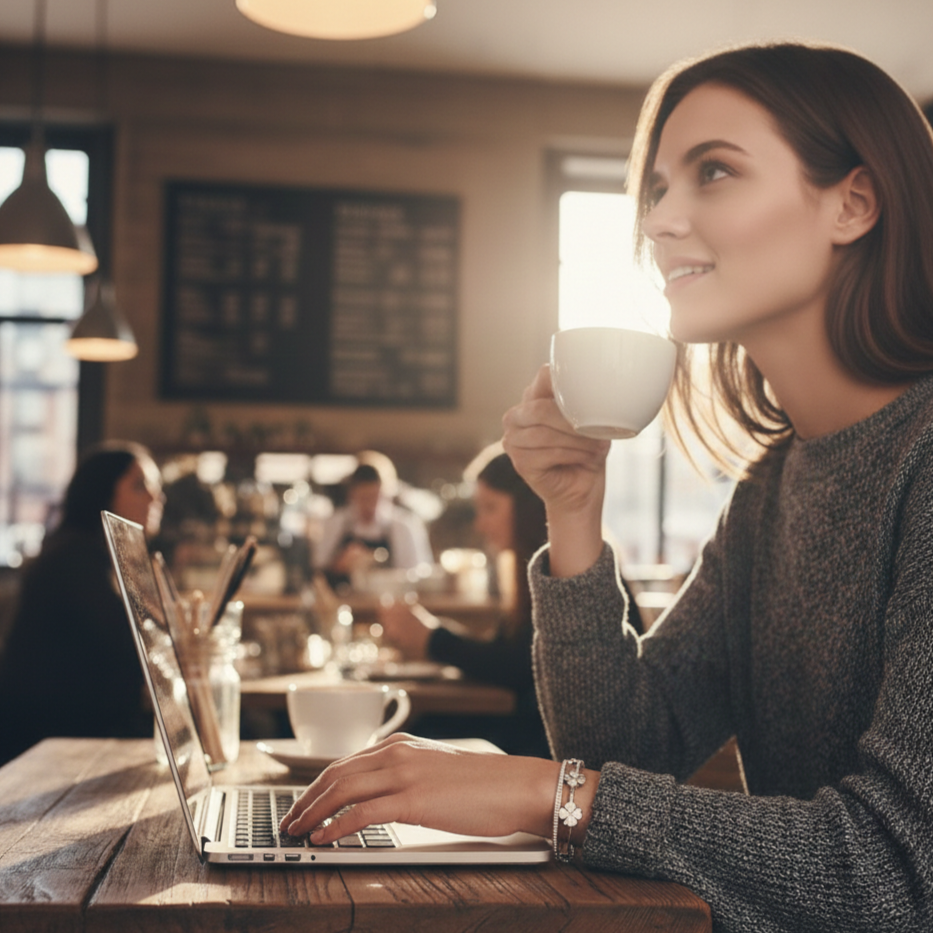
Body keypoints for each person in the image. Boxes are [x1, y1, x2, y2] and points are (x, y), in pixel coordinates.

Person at [280, 42, 933, 931]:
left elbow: (895, 875)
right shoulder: (770, 491)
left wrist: (539, 792)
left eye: (713, 172)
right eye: (659, 187)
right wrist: (573, 510)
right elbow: (625, 750)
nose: (659, 220)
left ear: (853, 203)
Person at [378, 450, 585, 757]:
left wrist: (433, 639)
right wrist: (433, 636)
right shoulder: (528, 569)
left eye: (490, 508)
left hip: (549, 750)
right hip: (536, 732)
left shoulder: (565, 567)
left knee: (409, 735)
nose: (480, 524)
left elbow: (517, 665)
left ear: (531, 507)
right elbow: (508, 651)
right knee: (408, 730)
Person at [0, 442, 163, 765]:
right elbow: (129, 650)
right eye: (139, 485)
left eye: (156, 488)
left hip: (75, 729)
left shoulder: (94, 555)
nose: (155, 498)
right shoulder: (75, 559)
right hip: (47, 743)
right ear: (101, 492)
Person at [314, 460, 433, 589]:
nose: (369, 505)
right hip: (344, 601)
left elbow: (419, 573)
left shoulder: (403, 526)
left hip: (390, 601)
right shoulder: (334, 523)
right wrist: (340, 564)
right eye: (363, 498)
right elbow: (318, 570)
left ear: (382, 493)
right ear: (352, 495)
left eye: (373, 497)